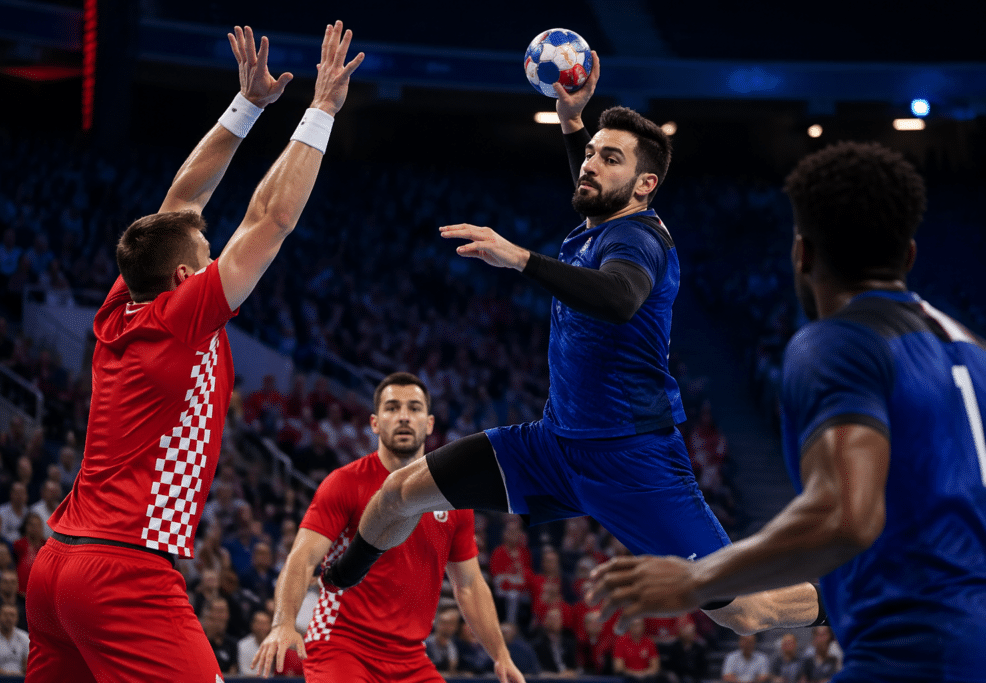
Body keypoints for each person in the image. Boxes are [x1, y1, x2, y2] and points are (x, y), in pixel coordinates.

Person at [323, 52, 818, 638]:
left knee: (744, 614)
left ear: (645, 185)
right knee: (400, 491)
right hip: (553, 446)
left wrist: (520, 258)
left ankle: (854, 591)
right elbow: (590, 187)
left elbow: (619, 299)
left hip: (633, 462)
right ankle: (338, 583)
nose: (590, 166)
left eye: (611, 159)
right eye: (590, 155)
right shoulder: (601, 219)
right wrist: (571, 123)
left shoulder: (638, 240)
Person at [24, 22, 364, 683]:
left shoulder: (122, 304)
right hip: (124, 572)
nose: (213, 253)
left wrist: (248, 106)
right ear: (186, 280)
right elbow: (270, 219)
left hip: (55, 566)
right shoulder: (185, 315)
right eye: (206, 254)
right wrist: (320, 108)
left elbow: (182, 201)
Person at [585, 141, 986, 682]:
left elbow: (844, 516)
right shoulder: (972, 349)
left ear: (803, 254)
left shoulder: (837, 342)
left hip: (913, 657)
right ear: (909, 255)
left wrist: (697, 580)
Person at [252, 372, 524, 682]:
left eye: (415, 408)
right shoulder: (344, 483)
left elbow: (470, 584)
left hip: (411, 658)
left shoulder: (453, 501)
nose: (404, 417)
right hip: (341, 647)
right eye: (392, 408)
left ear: (430, 423)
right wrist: (283, 623)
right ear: (375, 423)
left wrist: (501, 655)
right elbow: (302, 558)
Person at [612, 616, 665, 682]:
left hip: (646, 678)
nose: (637, 628)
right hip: (627, 678)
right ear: (629, 626)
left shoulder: (649, 642)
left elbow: (655, 667)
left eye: (639, 625)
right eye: (634, 625)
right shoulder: (620, 641)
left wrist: (643, 673)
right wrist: (635, 674)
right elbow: (618, 667)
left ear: (643, 626)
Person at [238, 610, 273, 677]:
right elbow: (244, 672)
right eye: (259, 623)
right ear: (252, 625)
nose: (262, 627)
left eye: (265, 624)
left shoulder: (275, 645)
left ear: (270, 626)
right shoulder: (243, 645)